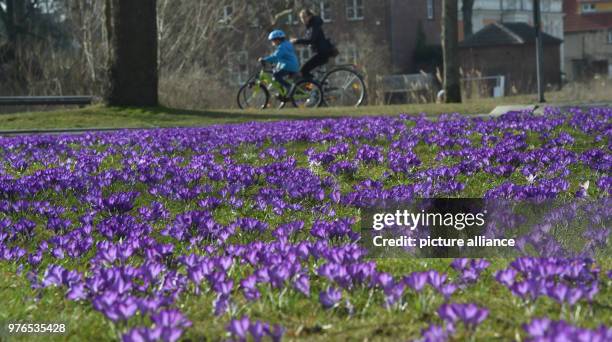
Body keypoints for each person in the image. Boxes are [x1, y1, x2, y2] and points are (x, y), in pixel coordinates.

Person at [291, 9, 337, 80]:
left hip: (322, 53)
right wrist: (298, 41)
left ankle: (315, 87)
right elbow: (309, 39)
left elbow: (310, 40)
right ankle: (315, 86)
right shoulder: (311, 25)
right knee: (305, 70)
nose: (303, 19)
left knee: (303, 70)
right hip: (320, 52)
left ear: (310, 16)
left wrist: (296, 41)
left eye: (304, 17)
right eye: (301, 18)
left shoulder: (314, 25)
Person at [258, 29, 300, 100]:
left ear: (277, 40)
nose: (272, 42)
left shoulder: (282, 47)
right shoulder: (286, 44)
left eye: (272, 40)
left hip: (288, 66)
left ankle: (288, 87)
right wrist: (273, 62)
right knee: (276, 72)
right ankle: (282, 92)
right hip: (290, 65)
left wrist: (264, 59)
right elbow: (281, 57)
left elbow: (276, 56)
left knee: (276, 75)